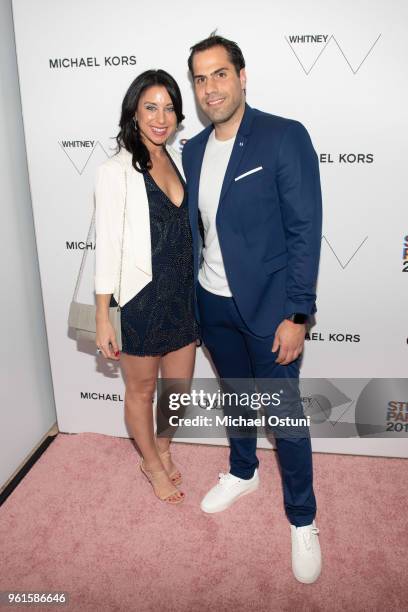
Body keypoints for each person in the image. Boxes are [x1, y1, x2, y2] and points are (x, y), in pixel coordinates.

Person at [182, 35, 323, 582]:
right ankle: (243, 472)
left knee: (284, 418)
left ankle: (303, 518)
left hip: (271, 310)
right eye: (200, 78)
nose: (210, 87)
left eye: (220, 74)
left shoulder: (283, 137)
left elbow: (304, 230)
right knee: (236, 399)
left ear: (242, 76)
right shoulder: (193, 150)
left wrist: (298, 314)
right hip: (212, 304)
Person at [95, 69, 199, 505]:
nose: (161, 117)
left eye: (170, 107)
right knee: (140, 390)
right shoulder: (115, 170)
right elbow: (107, 246)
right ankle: (152, 465)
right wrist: (103, 315)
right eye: (151, 107)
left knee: (177, 390)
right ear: (134, 113)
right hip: (139, 299)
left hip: (183, 297)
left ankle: (163, 444)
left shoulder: (179, 158)